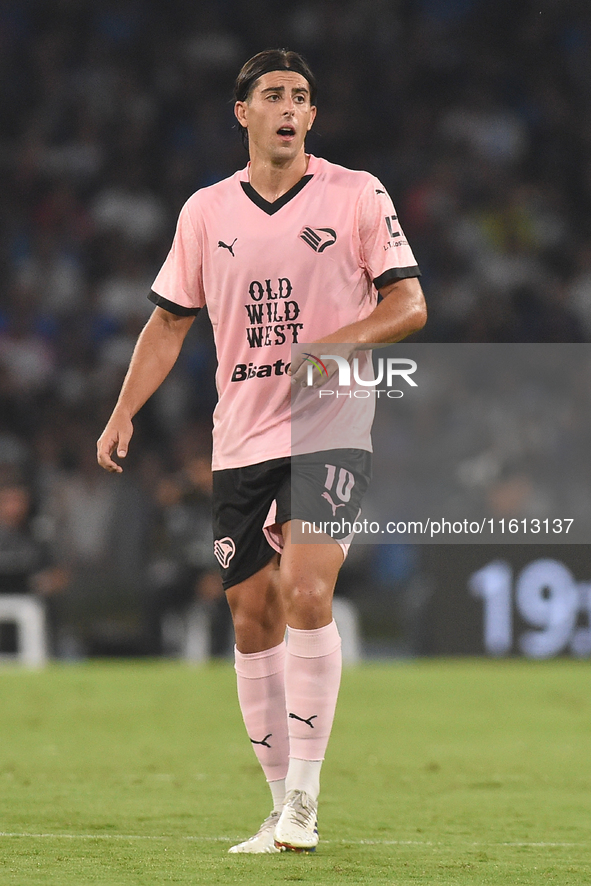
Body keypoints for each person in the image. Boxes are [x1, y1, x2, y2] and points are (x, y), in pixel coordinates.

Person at [97, 49, 427, 853]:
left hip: (330, 425)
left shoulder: (355, 193)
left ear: (313, 116)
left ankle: (307, 803)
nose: (289, 107)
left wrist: (332, 347)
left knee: (307, 590)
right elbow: (170, 320)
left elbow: (409, 304)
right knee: (250, 617)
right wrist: (122, 411)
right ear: (240, 111)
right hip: (240, 434)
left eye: (302, 97)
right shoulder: (206, 211)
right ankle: (277, 806)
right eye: (273, 94)